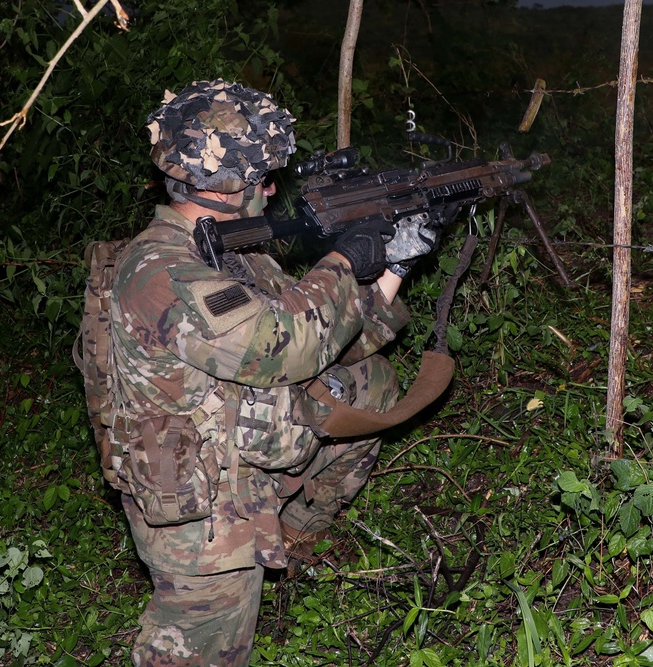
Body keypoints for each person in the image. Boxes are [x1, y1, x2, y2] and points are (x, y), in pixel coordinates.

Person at [108, 79, 438, 666]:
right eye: (264, 176)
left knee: (371, 385)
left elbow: (337, 341)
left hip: (246, 456)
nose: (273, 187)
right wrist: (343, 260)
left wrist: (394, 267)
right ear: (230, 184)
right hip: (201, 512)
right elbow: (286, 345)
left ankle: (297, 531)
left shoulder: (231, 252)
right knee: (201, 652)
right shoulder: (161, 269)